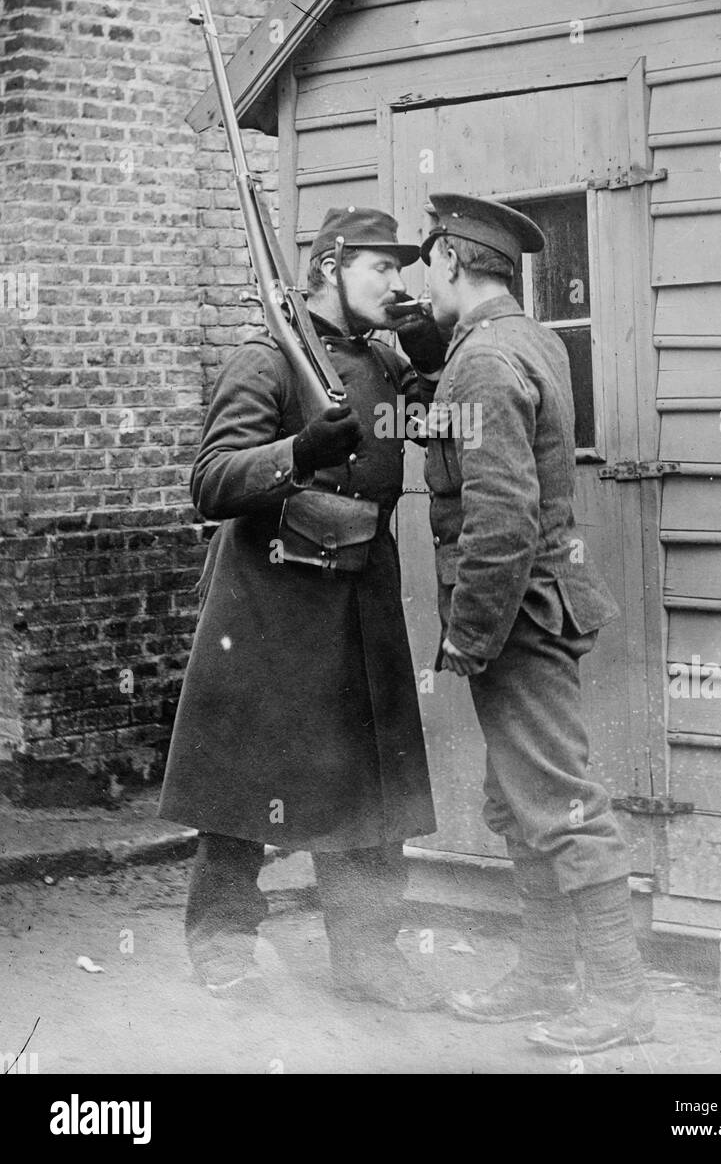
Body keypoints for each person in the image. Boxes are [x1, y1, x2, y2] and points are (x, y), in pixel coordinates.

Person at [160, 205, 449, 1009]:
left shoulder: (386, 366)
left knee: (370, 784)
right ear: (330, 269)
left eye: (402, 269)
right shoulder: (266, 360)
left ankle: (367, 955)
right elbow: (211, 484)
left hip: (359, 591)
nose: (398, 283)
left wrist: (433, 357)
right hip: (270, 598)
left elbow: (445, 423)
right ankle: (222, 942)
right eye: (382, 269)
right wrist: (299, 452)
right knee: (241, 780)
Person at [421, 192, 654, 1054]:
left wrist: (469, 636)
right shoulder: (532, 339)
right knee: (517, 801)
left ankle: (622, 998)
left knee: (559, 802)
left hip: (515, 614)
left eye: (427, 262)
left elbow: (503, 518)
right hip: (541, 602)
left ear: (449, 260)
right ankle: (546, 975)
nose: (419, 277)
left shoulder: (482, 363)